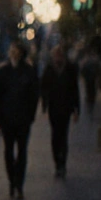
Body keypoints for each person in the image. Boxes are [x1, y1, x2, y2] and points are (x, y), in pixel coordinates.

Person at [0, 40, 39, 200]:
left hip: (23, 118)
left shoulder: (28, 71)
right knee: (8, 150)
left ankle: (18, 183)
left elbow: (34, 95)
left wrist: (30, 115)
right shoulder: (3, 71)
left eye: (15, 50)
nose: (13, 52)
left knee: (22, 151)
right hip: (7, 118)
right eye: (12, 50)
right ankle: (12, 180)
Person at [40, 44, 80, 177]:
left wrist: (76, 109)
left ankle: (62, 163)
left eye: (59, 54)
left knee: (63, 136)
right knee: (55, 136)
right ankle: (57, 162)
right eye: (56, 55)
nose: (57, 57)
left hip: (66, 107)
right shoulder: (49, 69)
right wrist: (44, 106)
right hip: (54, 108)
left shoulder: (69, 69)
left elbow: (75, 89)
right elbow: (44, 88)